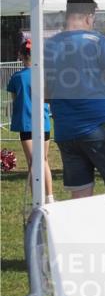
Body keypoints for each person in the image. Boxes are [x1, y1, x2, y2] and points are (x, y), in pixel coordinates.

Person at [44, 0, 105, 198]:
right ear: (88, 16)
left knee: (80, 197)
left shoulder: (51, 44)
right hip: (98, 126)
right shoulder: (97, 41)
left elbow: (45, 93)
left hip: (66, 129)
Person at [7, 40, 54, 202]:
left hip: (27, 124)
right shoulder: (45, 75)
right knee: (44, 161)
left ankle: (37, 200)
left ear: (21, 55)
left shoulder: (17, 77)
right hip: (44, 122)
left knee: (33, 163)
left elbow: (15, 100)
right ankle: (50, 197)